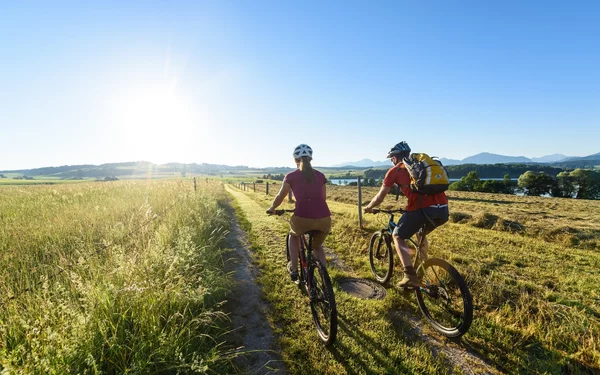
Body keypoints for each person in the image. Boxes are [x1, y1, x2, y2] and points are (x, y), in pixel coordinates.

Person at [364, 141, 449, 287]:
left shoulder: (395, 171)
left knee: (397, 236)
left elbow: (380, 196)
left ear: (395, 157)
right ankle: (422, 269)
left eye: (391, 159)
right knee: (420, 234)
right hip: (443, 209)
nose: (392, 161)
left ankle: (409, 276)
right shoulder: (421, 166)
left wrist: (369, 207)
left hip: (421, 209)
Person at [266, 144, 332, 281]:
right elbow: (322, 198)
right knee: (317, 246)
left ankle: (294, 270)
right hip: (324, 218)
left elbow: (280, 196)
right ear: (311, 158)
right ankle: (325, 277)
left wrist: (272, 208)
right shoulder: (321, 176)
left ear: (295, 159)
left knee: (293, 235)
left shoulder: (291, 176)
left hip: (302, 217)